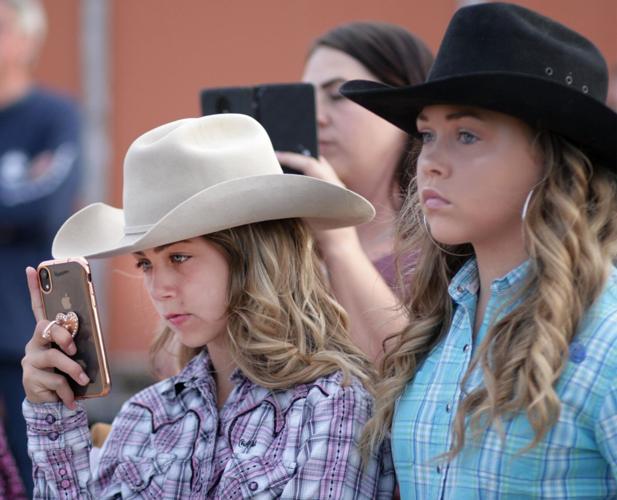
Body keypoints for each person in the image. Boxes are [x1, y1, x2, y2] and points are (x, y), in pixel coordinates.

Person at [20, 113, 394, 498]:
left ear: (254, 257)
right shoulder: (147, 415)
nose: (159, 288)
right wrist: (54, 416)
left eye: (179, 257)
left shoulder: (332, 407)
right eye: (145, 263)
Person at [341, 2, 617, 498]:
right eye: (427, 135)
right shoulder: (438, 331)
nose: (430, 163)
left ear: (552, 161)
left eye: (467, 135)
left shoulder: (608, 338)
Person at [275, 22, 433, 361]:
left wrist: (339, 243)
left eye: (337, 95)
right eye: (307, 98)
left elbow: (407, 374)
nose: (316, 116)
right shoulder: (289, 238)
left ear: (401, 105)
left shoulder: (444, 245)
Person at [0, 0, 81, 494]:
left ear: (28, 41)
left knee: (33, 475)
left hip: (22, 334)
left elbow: (47, 205)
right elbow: (19, 205)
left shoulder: (56, 115)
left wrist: (21, 205)